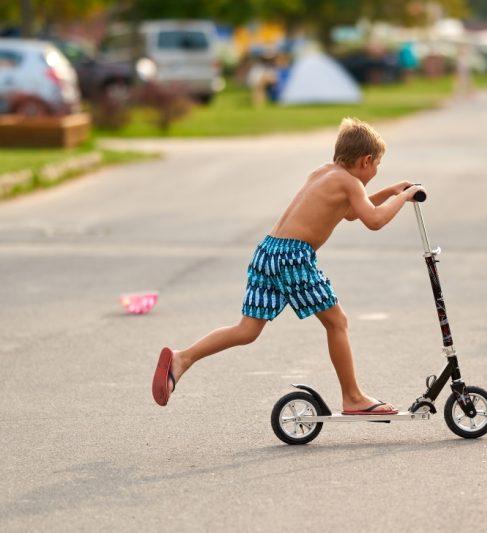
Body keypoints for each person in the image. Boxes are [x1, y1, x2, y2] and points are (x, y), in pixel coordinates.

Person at [152, 118, 425, 415]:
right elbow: (373, 220)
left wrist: (389, 193)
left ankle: (182, 359)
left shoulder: (324, 172)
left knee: (246, 330)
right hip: (292, 257)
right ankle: (353, 397)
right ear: (366, 160)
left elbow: (348, 213)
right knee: (337, 322)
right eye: (377, 166)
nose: (376, 172)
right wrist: (405, 197)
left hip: (268, 251)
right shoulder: (350, 183)